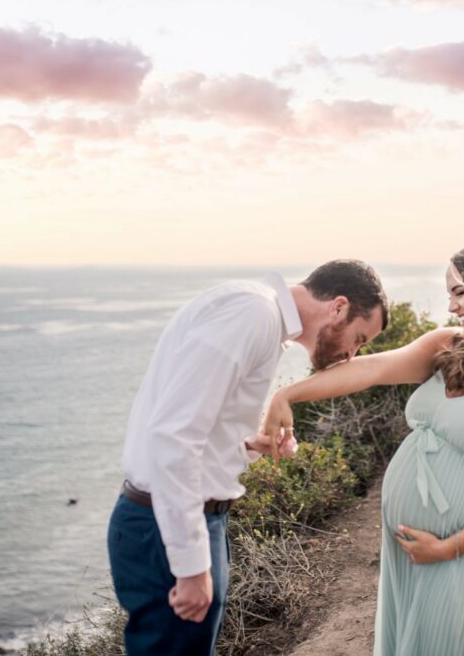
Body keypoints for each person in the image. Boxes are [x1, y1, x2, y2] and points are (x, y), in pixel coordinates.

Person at [264, 241, 464, 655]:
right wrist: (287, 395)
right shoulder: (446, 347)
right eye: (449, 294)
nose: (452, 306)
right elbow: (372, 368)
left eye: (459, 292)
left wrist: (447, 548)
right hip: (410, 553)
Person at [108, 261, 389, 655]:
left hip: (183, 518)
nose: (351, 354)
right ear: (339, 308)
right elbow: (174, 435)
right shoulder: (251, 313)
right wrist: (190, 565)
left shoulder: (261, 317)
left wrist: (249, 444)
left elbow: (195, 427)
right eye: (359, 339)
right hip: (166, 525)